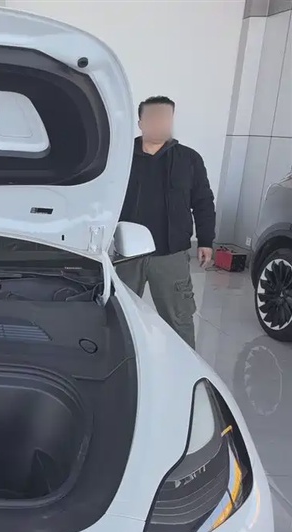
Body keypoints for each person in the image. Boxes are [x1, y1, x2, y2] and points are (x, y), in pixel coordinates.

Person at [117, 96, 216, 350]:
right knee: (118, 316)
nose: (159, 122)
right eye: (153, 117)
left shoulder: (189, 159)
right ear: (141, 122)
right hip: (125, 255)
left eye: (165, 117)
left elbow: (203, 201)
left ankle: (186, 368)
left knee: (179, 319)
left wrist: (206, 240)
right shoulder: (120, 157)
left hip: (170, 253)